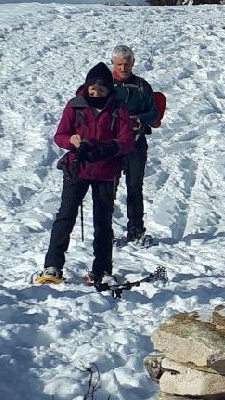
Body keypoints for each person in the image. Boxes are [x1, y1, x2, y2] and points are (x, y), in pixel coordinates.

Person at [39, 63, 137, 285]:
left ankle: (101, 269)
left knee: (103, 221)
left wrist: (110, 148)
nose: (96, 92)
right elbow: (60, 135)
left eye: (101, 89)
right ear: (87, 86)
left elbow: (127, 140)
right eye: (93, 88)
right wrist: (70, 140)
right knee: (65, 216)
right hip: (77, 168)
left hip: (106, 171)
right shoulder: (75, 106)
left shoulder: (118, 109)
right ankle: (52, 266)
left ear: (109, 90)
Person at [106, 45, 161, 245]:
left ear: (133, 64)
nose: (123, 68)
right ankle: (105, 231)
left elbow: (154, 112)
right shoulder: (104, 85)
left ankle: (136, 229)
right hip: (109, 144)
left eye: (127, 64)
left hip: (136, 143)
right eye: (119, 64)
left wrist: (140, 119)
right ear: (113, 63)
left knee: (135, 187)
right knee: (107, 188)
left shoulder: (141, 86)